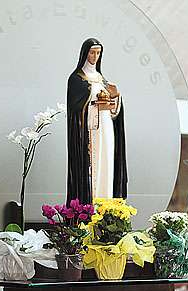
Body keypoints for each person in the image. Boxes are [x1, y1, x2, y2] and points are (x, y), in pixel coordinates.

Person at [66, 38, 127, 205]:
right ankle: (91, 209)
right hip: (90, 132)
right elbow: (75, 107)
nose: (95, 56)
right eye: (92, 52)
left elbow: (114, 110)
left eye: (98, 53)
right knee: (94, 167)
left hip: (106, 128)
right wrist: (94, 105)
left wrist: (115, 97)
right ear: (85, 53)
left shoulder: (101, 79)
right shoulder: (77, 79)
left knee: (107, 165)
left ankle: (106, 209)